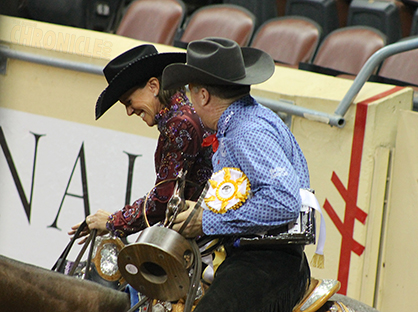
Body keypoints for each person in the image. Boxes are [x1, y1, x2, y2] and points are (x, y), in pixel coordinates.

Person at [162, 37, 312, 312]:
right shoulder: (250, 120)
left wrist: (208, 221)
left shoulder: (246, 133)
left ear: (203, 95)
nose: (191, 102)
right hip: (257, 256)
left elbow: (283, 202)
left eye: (191, 93)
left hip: (267, 263)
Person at [69, 44, 213, 241]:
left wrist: (112, 222)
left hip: (203, 241)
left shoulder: (180, 124)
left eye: (129, 102)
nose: (129, 111)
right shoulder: (181, 118)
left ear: (153, 86)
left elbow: (163, 200)